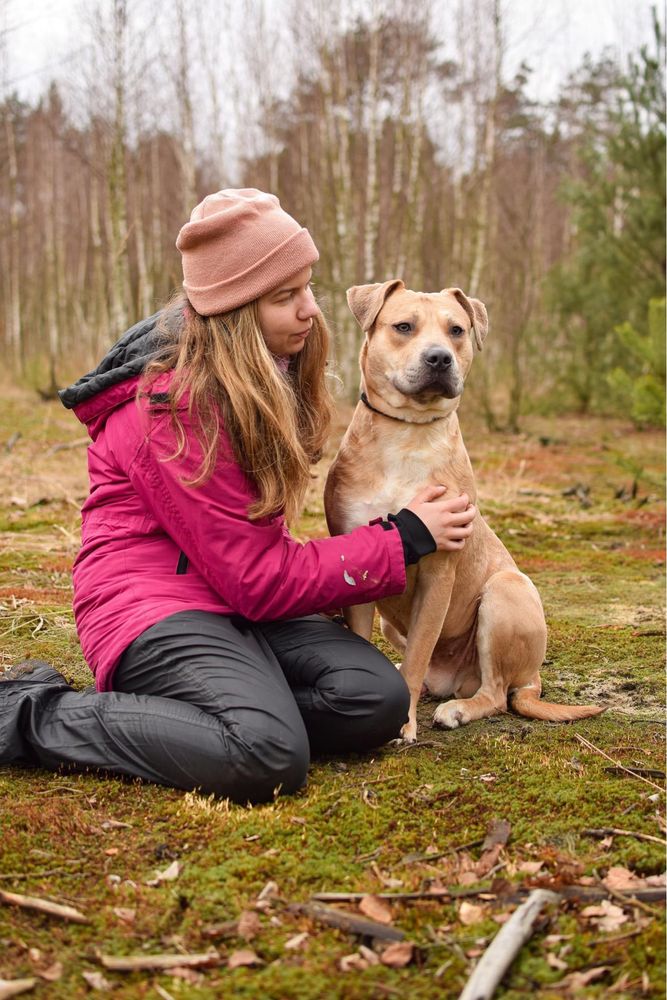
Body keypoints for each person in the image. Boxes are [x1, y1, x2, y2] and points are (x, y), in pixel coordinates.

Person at [0, 189, 476, 803]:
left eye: (308, 287)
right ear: (234, 312)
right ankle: (29, 712)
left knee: (376, 700)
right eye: (286, 297)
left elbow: (249, 559)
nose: (310, 310)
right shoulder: (169, 408)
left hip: (233, 600)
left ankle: (209, 712)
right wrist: (405, 536)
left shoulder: (262, 379)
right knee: (267, 755)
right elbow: (258, 577)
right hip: (151, 607)